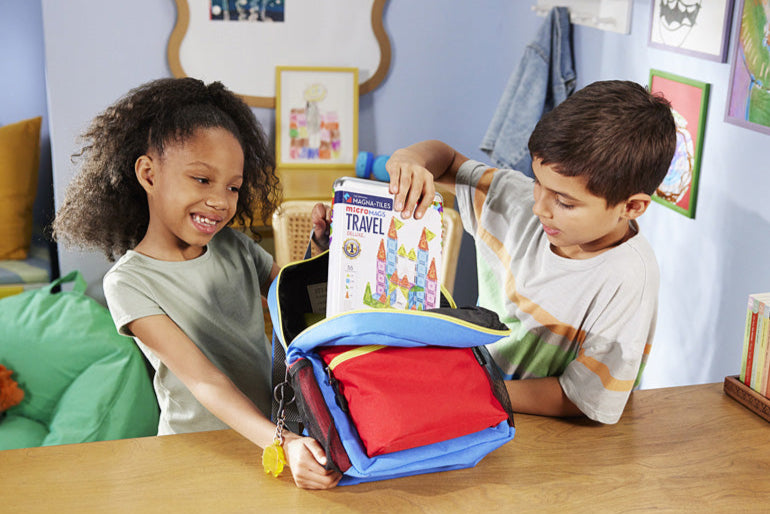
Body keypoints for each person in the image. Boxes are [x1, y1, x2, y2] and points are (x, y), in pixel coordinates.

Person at [313, 80, 676, 424]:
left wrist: (469, 389)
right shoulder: (514, 201)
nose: (540, 207)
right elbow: (446, 160)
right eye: (538, 183)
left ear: (632, 207)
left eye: (564, 202)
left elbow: (581, 398)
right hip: (473, 400)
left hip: (548, 433)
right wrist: (410, 160)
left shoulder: (629, 278)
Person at [53, 77, 340, 489]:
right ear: (149, 174)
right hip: (197, 451)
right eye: (202, 180)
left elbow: (297, 305)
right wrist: (283, 441)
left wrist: (322, 248)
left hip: (268, 439)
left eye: (233, 187)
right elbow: (205, 380)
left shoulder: (235, 247)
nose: (221, 201)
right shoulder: (129, 283)